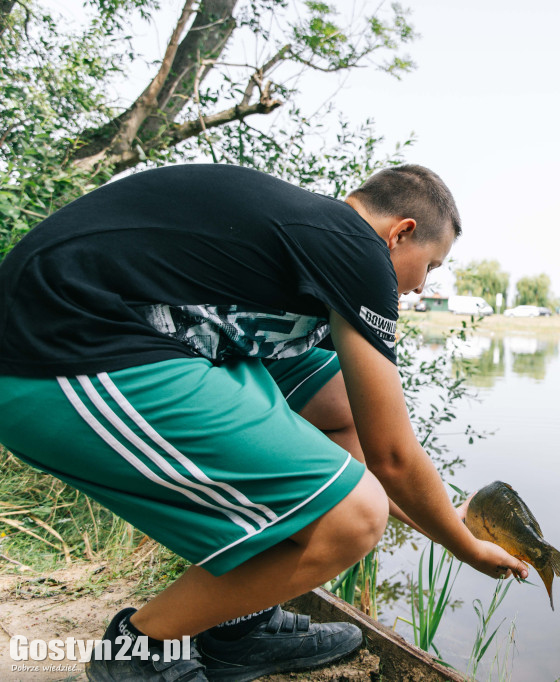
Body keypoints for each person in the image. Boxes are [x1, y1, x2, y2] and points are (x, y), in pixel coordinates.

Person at [0, 163, 528, 681]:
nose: (419, 288)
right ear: (401, 234)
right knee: (354, 519)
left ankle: (239, 627)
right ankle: (141, 647)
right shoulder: (356, 248)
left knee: (342, 402)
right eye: (431, 266)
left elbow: (371, 447)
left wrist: (445, 521)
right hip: (56, 345)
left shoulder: (309, 243)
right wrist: (465, 548)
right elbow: (392, 459)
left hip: (126, 331)